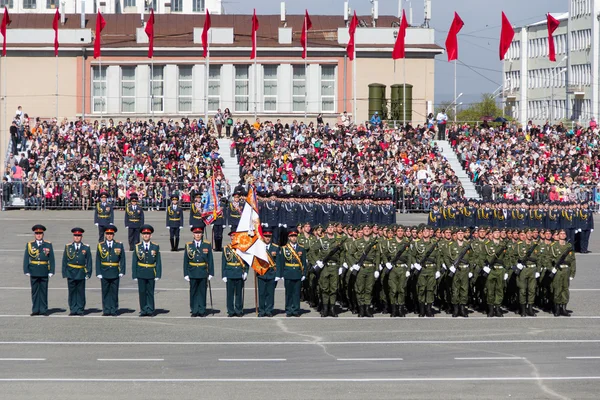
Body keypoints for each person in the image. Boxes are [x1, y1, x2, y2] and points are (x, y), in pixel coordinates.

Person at [312, 222, 345, 317]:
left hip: (334, 267)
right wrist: (317, 262)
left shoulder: (338, 241)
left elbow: (342, 254)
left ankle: (332, 308)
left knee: (334, 288)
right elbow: (312, 252)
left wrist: (341, 265)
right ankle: (325, 308)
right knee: (325, 288)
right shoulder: (322, 241)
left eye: (332, 227)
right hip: (325, 267)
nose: (330, 228)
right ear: (326, 230)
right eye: (328, 227)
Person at [23, 225, 55, 316]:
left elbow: (51, 258)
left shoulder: (48, 244)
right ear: (34, 234)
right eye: (37, 233)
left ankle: (43, 309)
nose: (38, 235)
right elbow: (26, 258)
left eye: (40, 233)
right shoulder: (30, 245)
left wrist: (51, 270)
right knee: (35, 291)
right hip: (34, 270)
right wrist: (26, 270)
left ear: (43, 234)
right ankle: (35, 309)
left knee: (44, 291)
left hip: (44, 270)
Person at [96, 224, 126, 316]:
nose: (109, 235)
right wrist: (98, 272)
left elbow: (122, 259)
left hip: (114, 271)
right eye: (107, 233)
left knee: (114, 292)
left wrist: (122, 271)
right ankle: (106, 310)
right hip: (104, 271)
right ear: (105, 235)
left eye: (111, 234)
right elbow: (98, 260)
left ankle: (113, 309)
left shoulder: (119, 245)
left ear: (113, 235)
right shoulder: (101, 245)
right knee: (105, 292)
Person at [183, 226, 214, 317]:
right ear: (193, 234)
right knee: (193, 292)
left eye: (199, 233)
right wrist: (186, 273)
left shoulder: (207, 244)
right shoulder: (189, 245)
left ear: (202, 234)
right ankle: (194, 310)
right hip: (192, 271)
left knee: (202, 292)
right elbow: (186, 260)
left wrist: (211, 272)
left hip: (203, 271)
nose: (197, 235)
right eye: (196, 233)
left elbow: (210, 260)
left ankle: (202, 309)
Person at [132, 225, 162, 317]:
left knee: (150, 292)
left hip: (150, 272)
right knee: (142, 292)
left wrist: (158, 274)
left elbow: (158, 261)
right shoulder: (137, 247)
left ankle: (150, 309)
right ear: (141, 235)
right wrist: (134, 274)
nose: (146, 235)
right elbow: (134, 262)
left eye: (148, 234)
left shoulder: (155, 247)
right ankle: (143, 310)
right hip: (141, 272)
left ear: (151, 236)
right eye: (144, 234)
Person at [61, 227, 92, 316]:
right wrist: (64, 272)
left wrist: (88, 273)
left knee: (81, 291)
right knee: (72, 292)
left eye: (79, 235)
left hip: (81, 272)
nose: (77, 237)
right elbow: (64, 261)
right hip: (71, 272)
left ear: (81, 237)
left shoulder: (86, 247)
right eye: (75, 235)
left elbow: (89, 261)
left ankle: (80, 309)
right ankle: (73, 309)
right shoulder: (68, 247)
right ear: (73, 237)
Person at [276, 228, 307, 317]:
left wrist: (304, 273)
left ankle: (296, 310)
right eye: (292, 236)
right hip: (288, 273)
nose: (293, 238)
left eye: (295, 236)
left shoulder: (301, 248)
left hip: (297, 273)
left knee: (296, 293)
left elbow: (304, 262)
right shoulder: (284, 248)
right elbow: (281, 262)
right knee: (289, 293)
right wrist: (280, 274)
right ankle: (289, 310)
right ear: (289, 237)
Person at [550, 229, 576, 317]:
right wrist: (551, 269)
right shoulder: (553, 246)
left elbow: (573, 260)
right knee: (557, 289)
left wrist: (572, 273)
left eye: (564, 233)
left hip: (566, 270)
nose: (562, 235)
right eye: (561, 233)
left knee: (565, 289)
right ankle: (557, 309)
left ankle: (563, 308)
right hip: (558, 271)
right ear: (558, 235)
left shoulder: (569, 246)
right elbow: (548, 259)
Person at [222, 233, 248, 317]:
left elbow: (246, 261)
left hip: (239, 272)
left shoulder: (242, 248)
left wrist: (246, 272)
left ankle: (239, 310)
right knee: (230, 294)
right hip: (230, 273)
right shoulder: (226, 248)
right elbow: (224, 263)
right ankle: (230, 311)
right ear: (230, 237)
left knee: (239, 294)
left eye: (235, 236)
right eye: (232, 236)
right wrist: (224, 275)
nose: (233, 237)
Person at [258, 228, 279, 317]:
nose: (267, 238)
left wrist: (278, 274)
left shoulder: (275, 247)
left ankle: (269, 310)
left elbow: (278, 261)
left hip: (271, 273)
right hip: (261, 273)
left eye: (269, 236)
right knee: (262, 293)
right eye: (266, 236)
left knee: (270, 293)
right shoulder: (259, 247)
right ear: (263, 237)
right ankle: (262, 310)